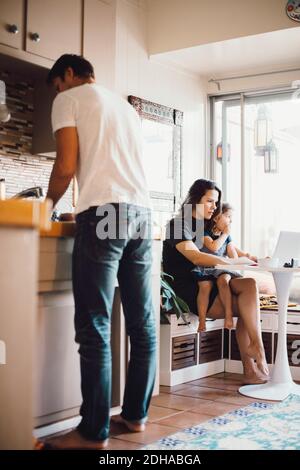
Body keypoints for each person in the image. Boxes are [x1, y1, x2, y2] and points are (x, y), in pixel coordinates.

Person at [44, 54, 156, 449]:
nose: (58, 92)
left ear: (68, 75)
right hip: (141, 214)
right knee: (142, 324)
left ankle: (93, 431)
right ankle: (136, 415)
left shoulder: (70, 98)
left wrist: (46, 207)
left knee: (94, 324)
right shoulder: (125, 108)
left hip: (105, 214)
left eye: (57, 84)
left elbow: (65, 164)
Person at [163, 179, 269, 385]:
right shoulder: (177, 225)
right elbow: (196, 258)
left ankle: (256, 346)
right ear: (195, 200)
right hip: (193, 287)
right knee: (250, 309)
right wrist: (231, 261)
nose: (214, 207)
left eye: (216, 202)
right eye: (210, 201)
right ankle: (251, 364)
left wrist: (243, 258)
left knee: (250, 286)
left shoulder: (204, 226)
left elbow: (224, 248)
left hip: (209, 278)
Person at [192, 202, 255, 332]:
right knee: (205, 286)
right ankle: (202, 320)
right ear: (216, 218)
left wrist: (246, 258)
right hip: (205, 267)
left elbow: (233, 256)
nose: (230, 221)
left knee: (224, 279)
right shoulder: (204, 232)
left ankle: (228, 315)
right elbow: (213, 247)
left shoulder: (227, 237)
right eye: (228, 217)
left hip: (221, 269)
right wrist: (225, 234)